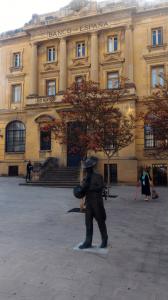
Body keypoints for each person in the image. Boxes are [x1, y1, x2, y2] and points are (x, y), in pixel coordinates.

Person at [74, 157, 108, 249]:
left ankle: (104, 239)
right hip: (88, 203)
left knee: (100, 222)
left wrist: (90, 188)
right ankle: (88, 241)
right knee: (88, 223)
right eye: (86, 168)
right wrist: (79, 191)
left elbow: (101, 187)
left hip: (97, 203)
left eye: (88, 168)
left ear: (91, 168)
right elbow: (82, 192)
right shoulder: (86, 179)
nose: (86, 170)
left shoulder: (98, 176)